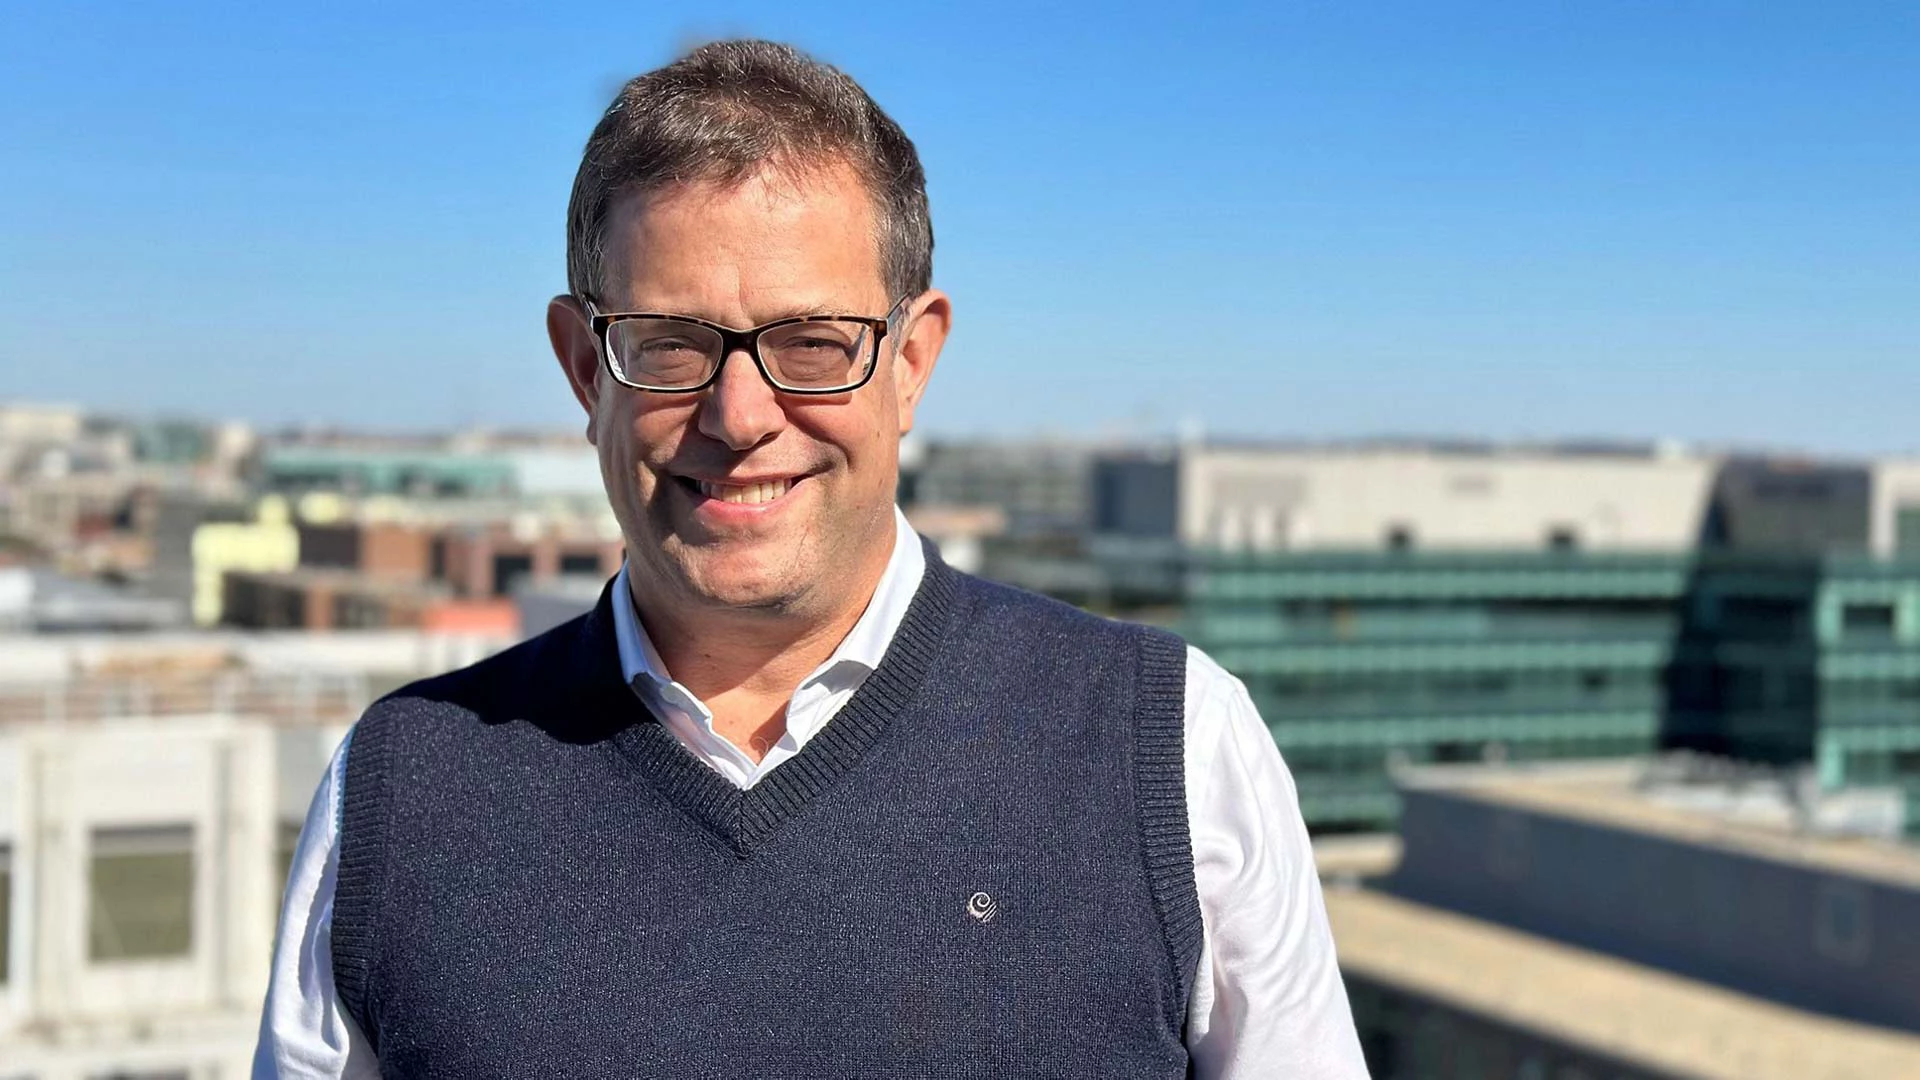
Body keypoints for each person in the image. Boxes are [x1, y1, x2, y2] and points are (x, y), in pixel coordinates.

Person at [253, 39, 1367, 1079]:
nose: (740, 415)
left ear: (912, 360)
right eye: (672, 344)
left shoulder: (1167, 748)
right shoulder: (404, 792)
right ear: (585, 369)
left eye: (812, 346)